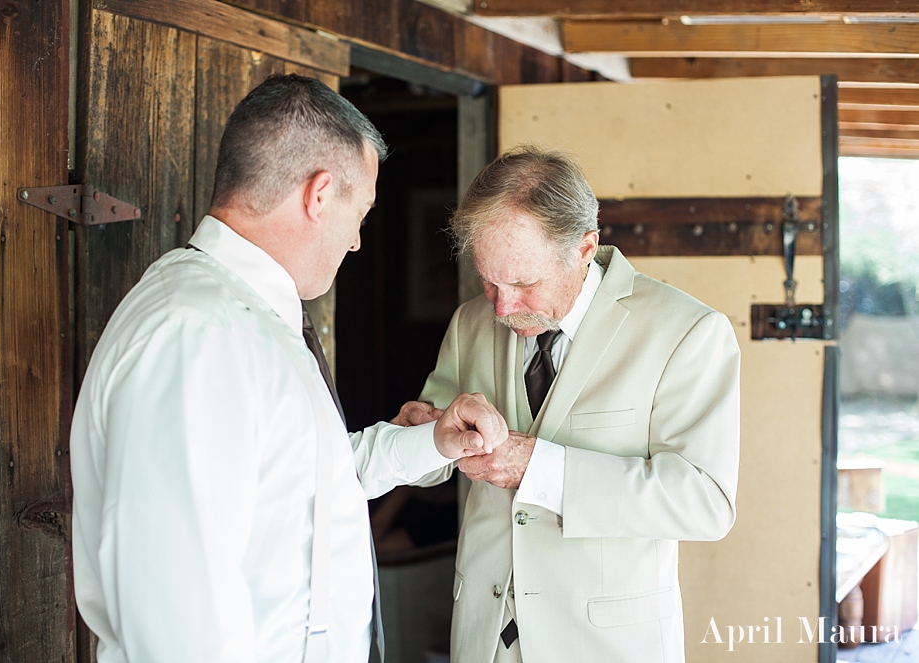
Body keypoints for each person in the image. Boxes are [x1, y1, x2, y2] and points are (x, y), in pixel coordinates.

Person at [69, 74, 508, 663]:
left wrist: (431, 444)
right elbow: (173, 596)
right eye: (361, 212)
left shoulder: (246, 317)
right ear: (319, 194)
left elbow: (300, 482)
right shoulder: (198, 333)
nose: (356, 241)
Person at [402, 146, 741, 663]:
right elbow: (430, 466)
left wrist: (538, 466)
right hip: (480, 641)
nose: (502, 307)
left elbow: (706, 503)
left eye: (523, 283)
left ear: (585, 247)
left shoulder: (688, 333)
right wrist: (420, 437)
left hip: (605, 645)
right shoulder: (469, 321)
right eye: (488, 280)